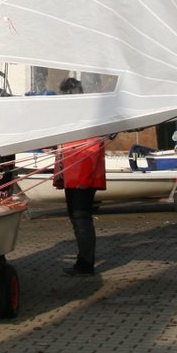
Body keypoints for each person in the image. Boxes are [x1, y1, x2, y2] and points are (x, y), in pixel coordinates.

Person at [53, 76, 105, 276]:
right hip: (73, 175)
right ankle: (83, 261)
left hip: (82, 177)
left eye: (66, 95)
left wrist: (83, 180)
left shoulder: (87, 118)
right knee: (76, 218)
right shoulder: (74, 117)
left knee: (81, 217)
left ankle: (85, 264)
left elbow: (92, 149)